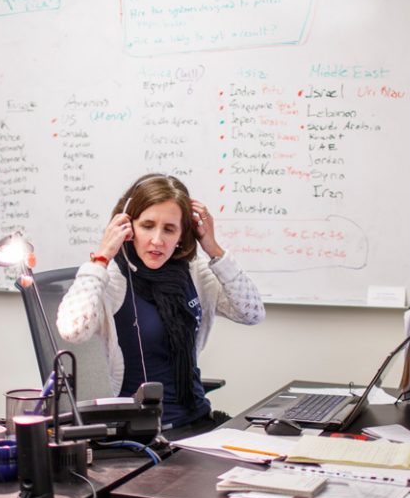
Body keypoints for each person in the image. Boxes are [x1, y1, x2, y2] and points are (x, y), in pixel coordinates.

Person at [56, 173, 265, 435]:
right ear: (127, 226)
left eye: (169, 229)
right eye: (147, 225)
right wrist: (101, 258)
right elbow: (72, 330)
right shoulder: (113, 279)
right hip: (142, 434)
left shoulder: (193, 272)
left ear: (182, 234)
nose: (157, 240)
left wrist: (213, 248)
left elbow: (252, 313)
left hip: (198, 421)